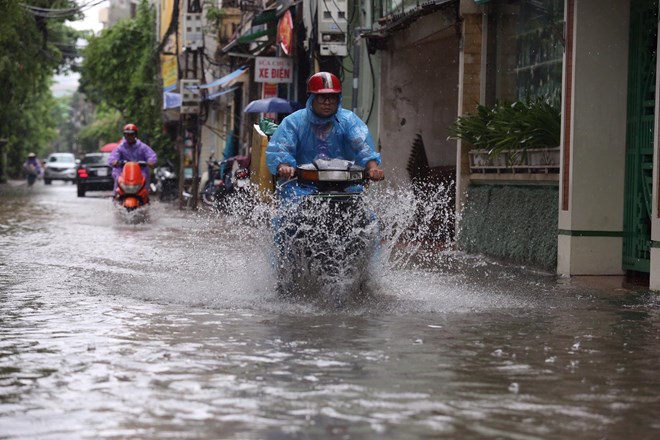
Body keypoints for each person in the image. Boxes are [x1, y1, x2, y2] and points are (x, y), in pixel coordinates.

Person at [266, 71, 384, 191]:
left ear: (338, 99)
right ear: (312, 98)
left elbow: (362, 146)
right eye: (322, 98)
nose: (327, 103)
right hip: (302, 184)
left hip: (344, 182)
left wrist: (373, 168)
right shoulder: (293, 122)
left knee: (358, 199)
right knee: (292, 200)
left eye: (332, 98)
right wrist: (285, 166)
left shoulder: (349, 120)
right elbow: (281, 149)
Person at [108, 124, 157, 194]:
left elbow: (151, 155)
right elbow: (113, 157)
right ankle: (116, 195)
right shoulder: (120, 148)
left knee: (144, 178)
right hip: (123, 172)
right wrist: (114, 161)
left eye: (131, 134)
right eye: (127, 134)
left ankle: (144, 196)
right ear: (124, 135)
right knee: (117, 177)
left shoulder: (142, 147)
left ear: (135, 135)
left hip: (140, 172)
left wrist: (150, 161)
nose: (129, 137)